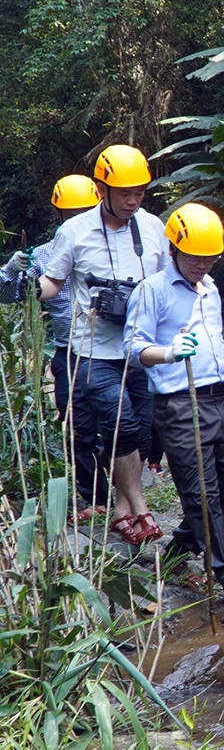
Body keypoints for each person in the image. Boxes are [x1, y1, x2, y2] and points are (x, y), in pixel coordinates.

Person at [125, 203, 224, 624]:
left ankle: (179, 553)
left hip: (223, 398)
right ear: (175, 249)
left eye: (209, 257)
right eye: (195, 257)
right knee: (202, 496)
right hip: (182, 404)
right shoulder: (152, 290)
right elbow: (133, 348)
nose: (202, 264)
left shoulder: (210, 288)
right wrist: (167, 352)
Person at [39, 146, 170, 545]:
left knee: (137, 435)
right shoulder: (74, 232)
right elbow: (53, 282)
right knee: (121, 424)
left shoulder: (152, 228)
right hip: (92, 349)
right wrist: (25, 287)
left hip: (141, 349)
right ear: (101, 189)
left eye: (139, 192)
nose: (132, 201)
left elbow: (168, 283)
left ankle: (120, 511)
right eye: (124, 193)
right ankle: (142, 509)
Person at [0, 175, 104, 507]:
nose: (78, 220)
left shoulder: (112, 250)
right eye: (71, 214)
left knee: (126, 421)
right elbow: (7, 295)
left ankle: (134, 485)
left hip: (116, 351)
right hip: (69, 353)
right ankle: (95, 498)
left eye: (86, 212)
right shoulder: (44, 256)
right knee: (76, 427)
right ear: (58, 215)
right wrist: (12, 269)